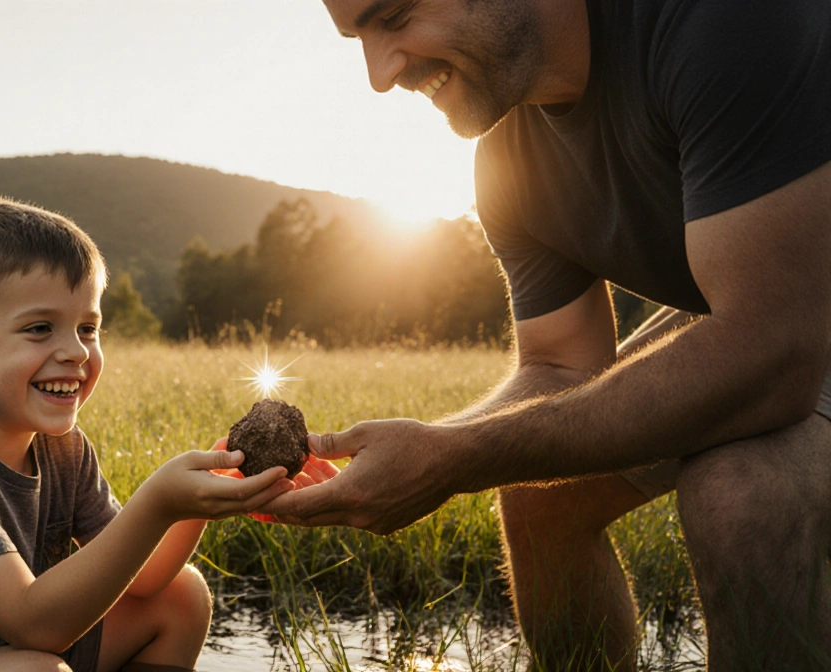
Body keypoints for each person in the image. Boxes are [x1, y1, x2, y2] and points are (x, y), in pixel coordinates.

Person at [264, 0, 831, 669]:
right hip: (781, 305)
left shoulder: (722, 21)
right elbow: (561, 366)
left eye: (393, 15)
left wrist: (454, 461)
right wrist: (438, 444)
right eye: (358, 36)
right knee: (536, 489)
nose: (379, 75)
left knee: (740, 496)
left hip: (788, 318)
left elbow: (771, 352)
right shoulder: (507, 160)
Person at [0, 197, 293, 672]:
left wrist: (201, 498)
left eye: (88, 328)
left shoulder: (64, 449)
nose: (76, 352)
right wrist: (158, 503)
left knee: (181, 596)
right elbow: (35, 625)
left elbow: (144, 579)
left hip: (0, 656)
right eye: (41, 328)